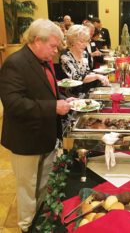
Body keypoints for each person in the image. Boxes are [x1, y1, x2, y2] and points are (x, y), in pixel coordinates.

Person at [0, 19, 76, 232]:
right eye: (52, 46)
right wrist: (53, 107)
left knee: (44, 183)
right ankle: (26, 227)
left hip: (46, 135)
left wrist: (62, 99)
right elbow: (14, 104)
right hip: (25, 139)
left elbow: (48, 91)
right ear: (36, 41)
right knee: (26, 188)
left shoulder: (43, 60)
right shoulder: (15, 62)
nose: (55, 51)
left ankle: (41, 221)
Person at [59, 24, 109, 97]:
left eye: (86, 41)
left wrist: (100, 75)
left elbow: (87, 73)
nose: (85, 45)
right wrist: (97, 76)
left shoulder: (84, 54)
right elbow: (77, 78)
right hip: (71, 97)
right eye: (82, 42)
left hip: (87, 94)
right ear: (72, 41)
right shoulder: (65, 56)